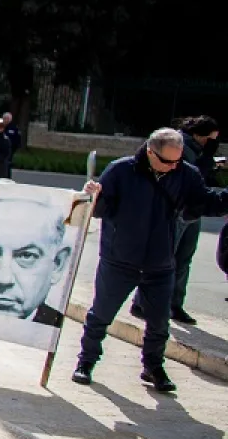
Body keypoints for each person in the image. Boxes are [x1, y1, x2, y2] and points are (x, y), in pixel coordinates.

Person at [73, 128, 228, 392]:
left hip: (160, 262)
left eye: (177, 160)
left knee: (159, 323)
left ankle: (153, 367)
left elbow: (203, 203)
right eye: (167, 161)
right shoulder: (121, 171)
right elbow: (100, 210)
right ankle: (86, 362)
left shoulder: (185, 173)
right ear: (149, 151)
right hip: (119, 259)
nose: (173, 166)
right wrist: (93, 195)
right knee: (101, 314)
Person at [130, 115, 220, 326]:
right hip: (176, 211)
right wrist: (208, 158)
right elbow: (187, 176)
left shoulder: (196, 149)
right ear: (198, 135)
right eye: (211, 139)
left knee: (183, 260)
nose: (212, 144)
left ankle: (174, 304)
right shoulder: (180, 146)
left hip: (192, 211)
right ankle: (142, 303)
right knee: (163, 259)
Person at [1, 112, 23, 178]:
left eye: (6, 118)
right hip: (0, 149)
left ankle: (7, 177)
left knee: (7, 164)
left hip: (9, 149)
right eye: (4, 118)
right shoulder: (0, 127)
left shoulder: (13, 128)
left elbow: (17, 140)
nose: (5, 120)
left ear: (10, 119)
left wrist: (13, 149)